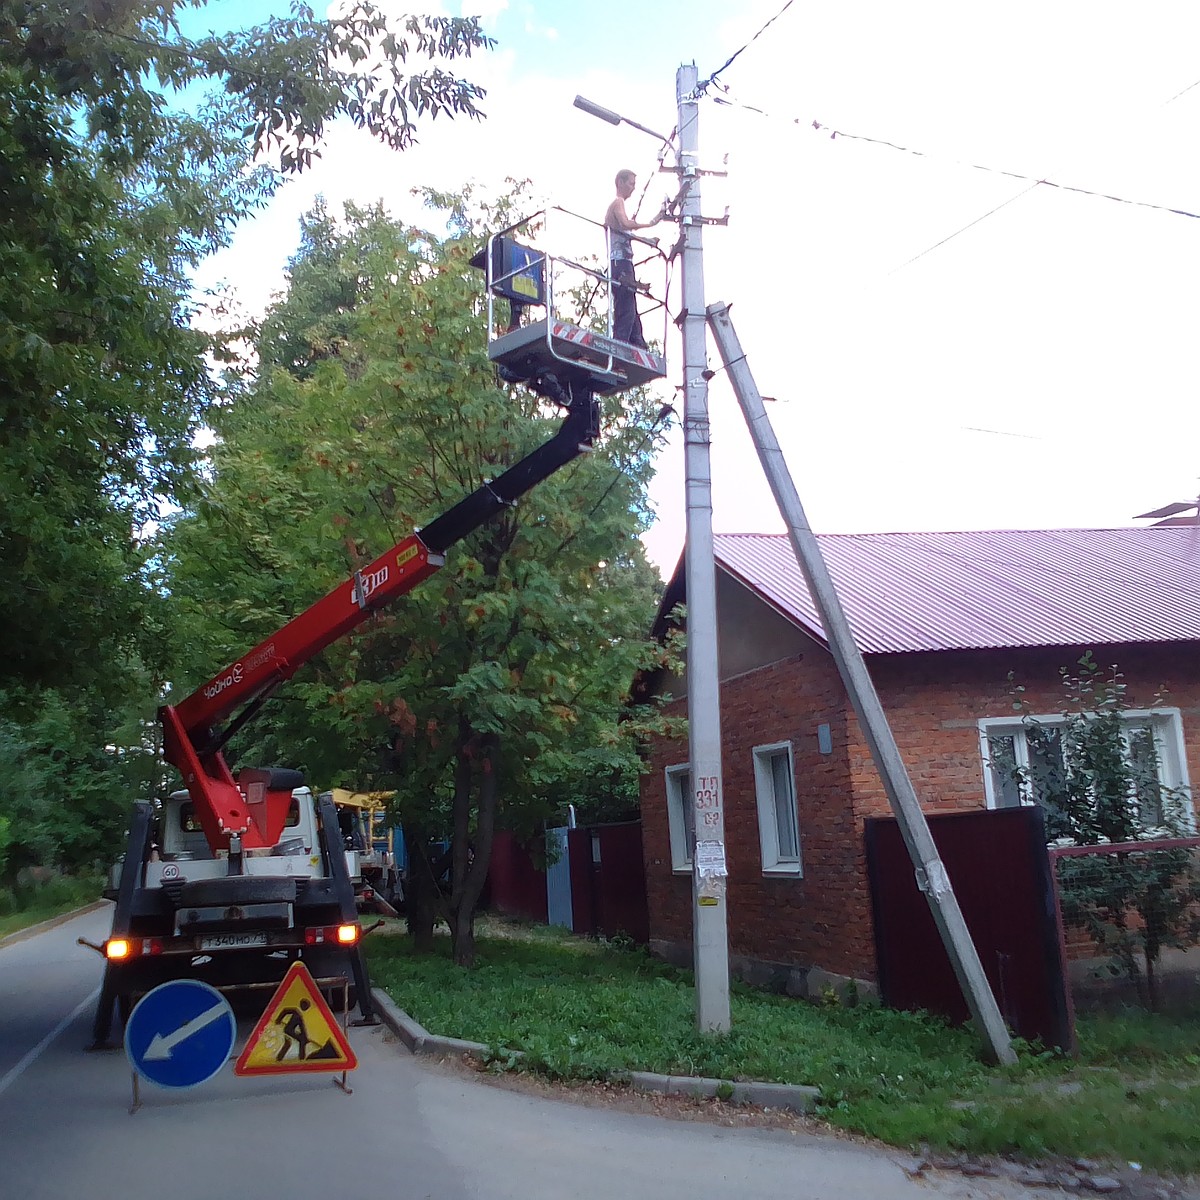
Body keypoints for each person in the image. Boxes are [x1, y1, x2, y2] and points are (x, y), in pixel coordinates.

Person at [604, 169, 666, 348]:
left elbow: (625, 234)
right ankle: (620, 345)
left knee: (630, 305)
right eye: (631, 184)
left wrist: (648, 241)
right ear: (620, 183)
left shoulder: (618, 205)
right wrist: (651, 223)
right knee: (627, 308)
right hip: (620, 262)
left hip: (622, 263)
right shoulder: (618, 203)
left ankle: (638, 342)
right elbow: (625, 224)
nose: (633, 188)